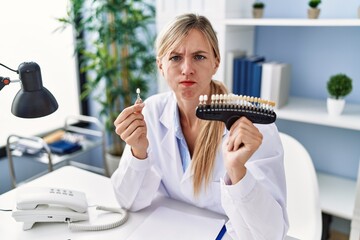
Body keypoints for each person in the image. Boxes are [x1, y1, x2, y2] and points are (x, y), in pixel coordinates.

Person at [111, 13, 289, 239]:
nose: (187, 69)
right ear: (160, 65)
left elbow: (271, 234)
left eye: (199, 57)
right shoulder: (151, 114)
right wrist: (138, 152)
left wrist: (238, 173)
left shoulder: (251, 124)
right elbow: (129, 202)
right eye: (175, 57)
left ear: (216, 62)